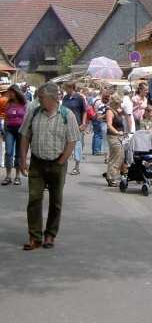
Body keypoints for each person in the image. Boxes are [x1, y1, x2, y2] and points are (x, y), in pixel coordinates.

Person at [19, 83, 80, 250]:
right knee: (34, 199)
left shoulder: (67, 115)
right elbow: (25, 136)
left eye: (41, 98)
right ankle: (35, 236)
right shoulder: (34, 113)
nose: (38, 100)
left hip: (57, 163)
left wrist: (61, 161)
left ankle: (50, 235)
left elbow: (72, 140)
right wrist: (23, 159)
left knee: (56, 201)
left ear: (53, 99)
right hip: (37, 163)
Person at [2, 85, 28, 186]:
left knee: (18, 154)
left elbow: (27, 118)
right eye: (9, 92)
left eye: (11, 92)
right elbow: (6, 118)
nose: (9, 94)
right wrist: (4, 131)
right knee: (8, 152)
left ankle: (17, 176)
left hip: (21, 131)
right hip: (9, 130)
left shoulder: (24, 103)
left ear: (16, 92)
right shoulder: (8, 103)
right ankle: (8, 176)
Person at [61, 82, 87, 176]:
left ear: (72, 87)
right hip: (66, 124)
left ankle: (76, 166)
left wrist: (83, 123)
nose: (65, 90)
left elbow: (84, 111)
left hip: (77, 125)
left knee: (77, 145)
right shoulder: (65, 98)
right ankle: (63, 165)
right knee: (65, 145)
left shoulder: (79, 98)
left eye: (66, 87)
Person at [104, 94, 126, 187]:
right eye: (118, 104)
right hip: (113, 136)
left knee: (120, 156)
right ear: (114, 103)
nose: (120, 105)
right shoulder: (110, 111)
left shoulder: (116, 110)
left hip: (118, 137)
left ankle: (111, 175)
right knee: (116, 157)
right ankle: (111, 177)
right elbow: (109, 125)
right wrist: (117, 132)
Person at [91, 89, 110, 156]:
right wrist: (106, 114)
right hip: (99, 119)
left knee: (96, 134)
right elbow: (100, 113)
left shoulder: (95, 100)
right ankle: (97, 150)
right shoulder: (100, 103)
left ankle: (94, 150)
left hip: (94, 118)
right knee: (99, 135)